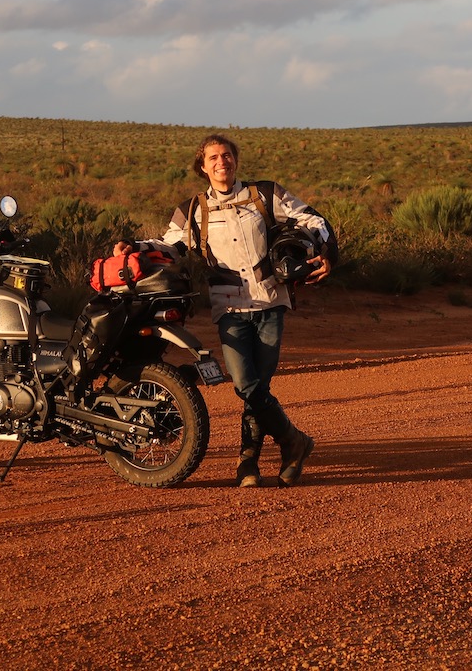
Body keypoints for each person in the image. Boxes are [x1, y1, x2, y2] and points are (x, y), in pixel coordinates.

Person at [113, 134, 335, 488]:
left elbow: (314, 221)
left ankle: (249, 461)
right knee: (246, 384)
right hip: (229, 307)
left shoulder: (265, 194)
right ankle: (293, 441)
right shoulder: (193, 210)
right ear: (202, 166)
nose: (222, 162)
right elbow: (168, 246)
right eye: (214, 157)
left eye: (227, 155)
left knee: (258, 386)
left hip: (270, 301)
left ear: (236, 160)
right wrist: (134, 247)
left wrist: (324, 253)